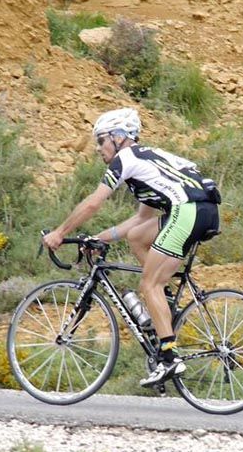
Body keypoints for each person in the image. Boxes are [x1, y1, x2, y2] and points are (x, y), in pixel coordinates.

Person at [41, 107, 221, 386]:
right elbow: (139, 220)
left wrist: (60, 232)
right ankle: (165, 306)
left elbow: (93, 202)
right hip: (199, 209)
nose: (99, 148)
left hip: (188, 211)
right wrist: (99, 238)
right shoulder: (146, 162)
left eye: (101, 141)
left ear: (119, 137)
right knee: (138, 236)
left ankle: (169, 357)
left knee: (149, 285)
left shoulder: (125, 159)